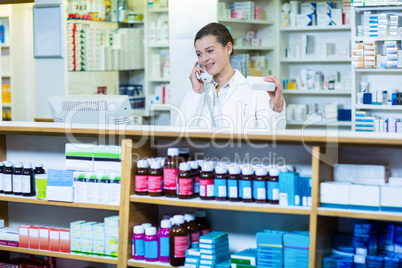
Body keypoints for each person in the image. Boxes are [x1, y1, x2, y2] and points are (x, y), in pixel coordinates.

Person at [175, 22, 286, 131]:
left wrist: (277, 108)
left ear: (228, 48)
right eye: (199, 54)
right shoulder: (199, 92)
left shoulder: (256, 91)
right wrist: (197, 93)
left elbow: (271, 137)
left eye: (209, 51)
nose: (204, 59)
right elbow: (179, 132)